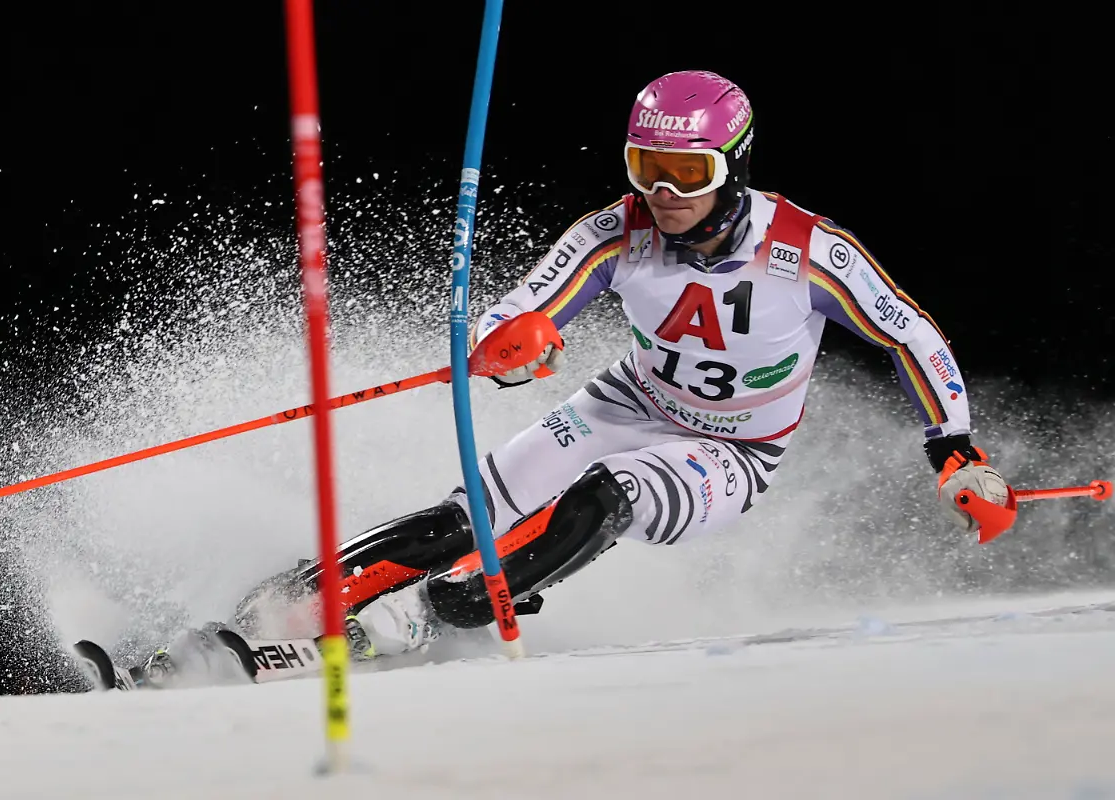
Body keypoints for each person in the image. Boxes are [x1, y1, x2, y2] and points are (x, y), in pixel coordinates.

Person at [232, 68, 1011, 661]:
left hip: (732, 451)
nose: (663, 193)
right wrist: (508, 344)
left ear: (733, 167)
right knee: (462, 517)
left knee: (603, 499)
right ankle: (275, 609)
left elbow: (910, 334)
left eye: (689, 174)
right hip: (624, 404)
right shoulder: (616, 230)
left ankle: (431, 615)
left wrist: (956, 451)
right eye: (646, 166)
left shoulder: (809, 251)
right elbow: (523, 306)